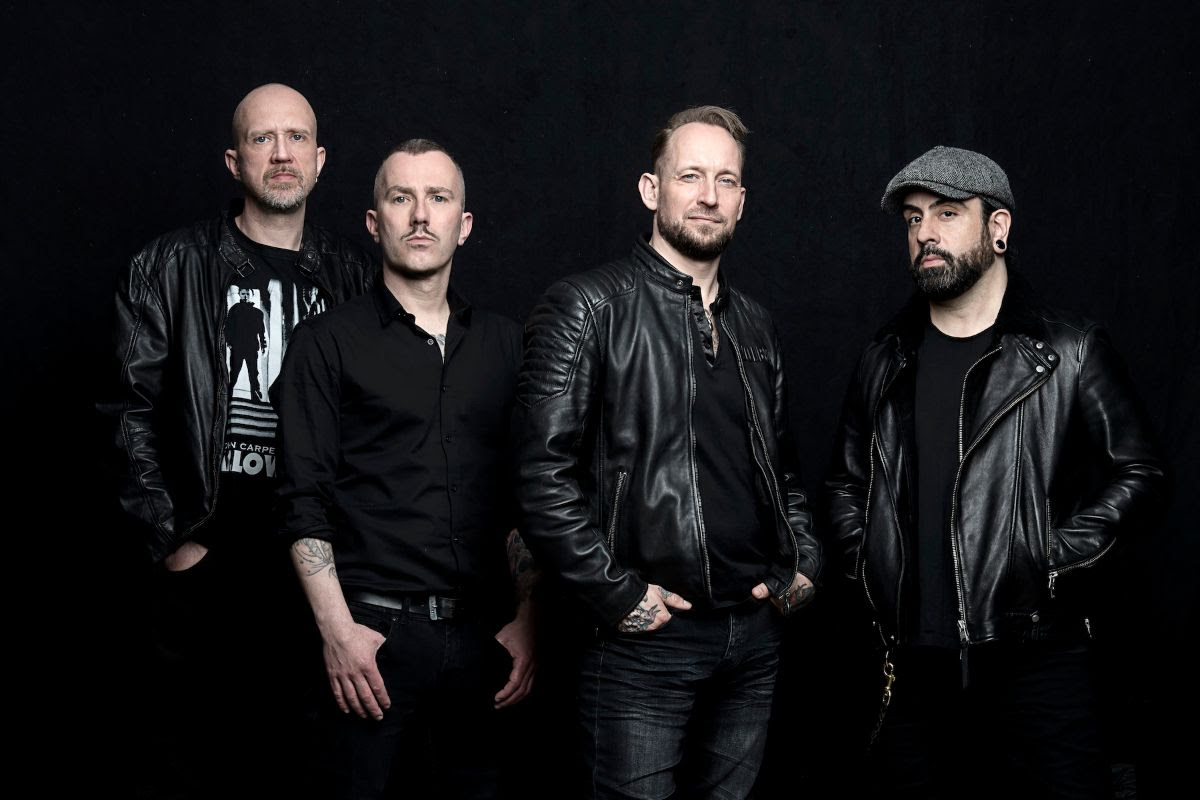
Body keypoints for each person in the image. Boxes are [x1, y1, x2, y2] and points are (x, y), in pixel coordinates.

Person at [826, 145, 1165, 797]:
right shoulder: (885, 357)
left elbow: (1141, 474)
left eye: (947, 213)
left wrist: (1046, 556)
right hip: (912, 670)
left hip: (1039, 662)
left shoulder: (1066, 350)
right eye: (913, 217)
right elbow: (845, 483)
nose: (924, 232)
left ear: (998, 227)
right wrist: (869, 560)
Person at [517, 106, 821, 799]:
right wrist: (618, 595)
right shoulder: (588, 307)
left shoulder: (755, 325)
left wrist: (804, 566)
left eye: (725, 180)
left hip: (753, 635)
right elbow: (540, 478)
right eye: (690, 176)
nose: (708, 195)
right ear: (651, 190)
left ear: (742, 201)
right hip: (645, 644)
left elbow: (782, 473)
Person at [103, 83, 375, 795]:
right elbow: (127, 413)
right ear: (235, 161)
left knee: (308, 765)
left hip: (319, 564)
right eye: (262, 139)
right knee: (196, 760)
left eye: (296, 138)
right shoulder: (167, 266)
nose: (281, 154)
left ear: (320, 160)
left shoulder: (355, 276)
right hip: (209, 559)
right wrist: (173, 540)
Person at [275, 139, 537, 799]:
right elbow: (302, 500)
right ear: (374, 222)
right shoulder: (326, 344)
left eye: (438, 198)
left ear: (463, 224)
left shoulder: (508, 345)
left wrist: (531, 618)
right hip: (371, 642)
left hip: (485, 644)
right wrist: (338, 633)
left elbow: (530, 497)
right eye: (401, 198)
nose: (420, 215)